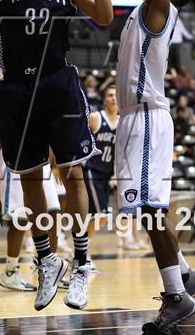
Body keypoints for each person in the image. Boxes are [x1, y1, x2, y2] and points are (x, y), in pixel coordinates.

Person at [0, 0, 113, 311]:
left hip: (58, 81)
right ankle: (46, 260)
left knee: (74, 176)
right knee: (29, 180)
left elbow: (104, 16)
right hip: (17, 87)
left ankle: (81, 263)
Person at [115, 0, 195, 333]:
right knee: (147, 209)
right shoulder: (145, 9)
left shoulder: (158, 9)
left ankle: (178, 296)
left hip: (147, 118)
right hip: (137, 118)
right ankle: (186, 274)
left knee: (150, 210)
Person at [0, 151, 62, 292]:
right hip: (17, 153)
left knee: (53, 212)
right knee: (21, 217)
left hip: (42, 157)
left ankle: (50, 270)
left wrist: (55, 162)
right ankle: (10, 271)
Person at [84, 85, 119, 270]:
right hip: (91, 171)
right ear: (104, 99)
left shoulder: (122, 122)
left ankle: (79, 251)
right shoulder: (96, 118)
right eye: (110, 95)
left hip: (106, 174)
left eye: (116, 95)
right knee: (102, 216)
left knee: (94, 216)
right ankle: (81, 252)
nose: (114, 98)